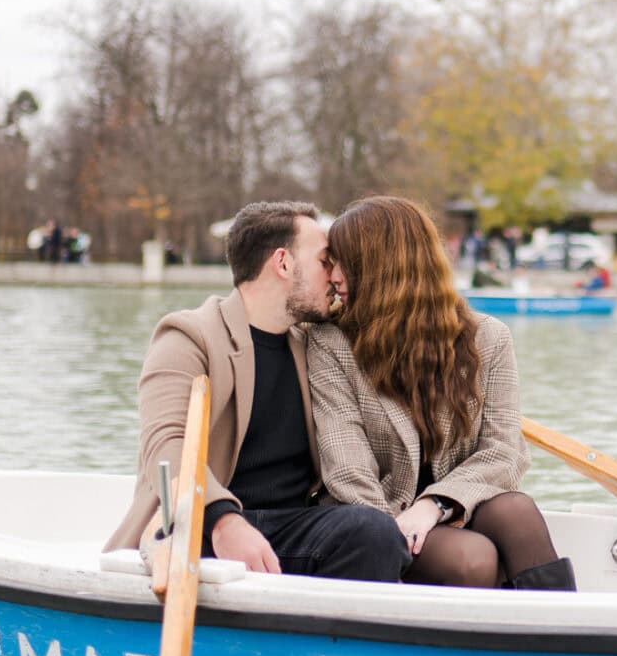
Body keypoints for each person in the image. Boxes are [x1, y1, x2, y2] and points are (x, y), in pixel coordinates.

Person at [104, 199, 409, 593]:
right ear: (283, 263)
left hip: (293, 526)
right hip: (202, 529)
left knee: (372, 531)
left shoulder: (317, 342)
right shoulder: (188, 336)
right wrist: (223, 520)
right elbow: (165, 447)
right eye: (324, 261)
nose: (335, 276)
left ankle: (335, 648)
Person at [307, 196, 576, 591]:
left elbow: (503, 451)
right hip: (377, 516)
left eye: (343, 263)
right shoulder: (331, 343)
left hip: (455, 505)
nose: (334, 278)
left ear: (382, 267)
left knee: (516, 511)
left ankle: (565, 640)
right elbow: (347, 470)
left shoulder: (488, 339)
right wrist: (390, 529)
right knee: (475, 558)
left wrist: (434, 505)